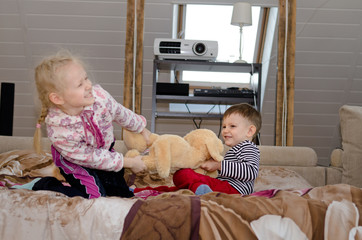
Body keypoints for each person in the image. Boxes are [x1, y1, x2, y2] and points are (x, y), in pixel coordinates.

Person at [31, 50, 150, 199]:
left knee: (122, 195)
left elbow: (120, 112)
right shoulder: (60, 132)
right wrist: (129, 162)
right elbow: (92, 158)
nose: (88, 85)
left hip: (103, 151)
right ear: (58, 98)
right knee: (95, 197)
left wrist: (141, 128)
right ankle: (46, 185)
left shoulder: (99, 98)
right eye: (80, 84)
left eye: (86, 78)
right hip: (76, 162)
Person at [173, 103, 261, 195]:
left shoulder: (248, 147)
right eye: (224, 126)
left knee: (184, 174)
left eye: (232, 126)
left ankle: (202, 191)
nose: (225, 130)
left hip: (235, 190)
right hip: (226, 186)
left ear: (250, 131)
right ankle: (198, 190)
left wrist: (219, 165)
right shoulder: (236, 149)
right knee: (185, 180)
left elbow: (251, 172)